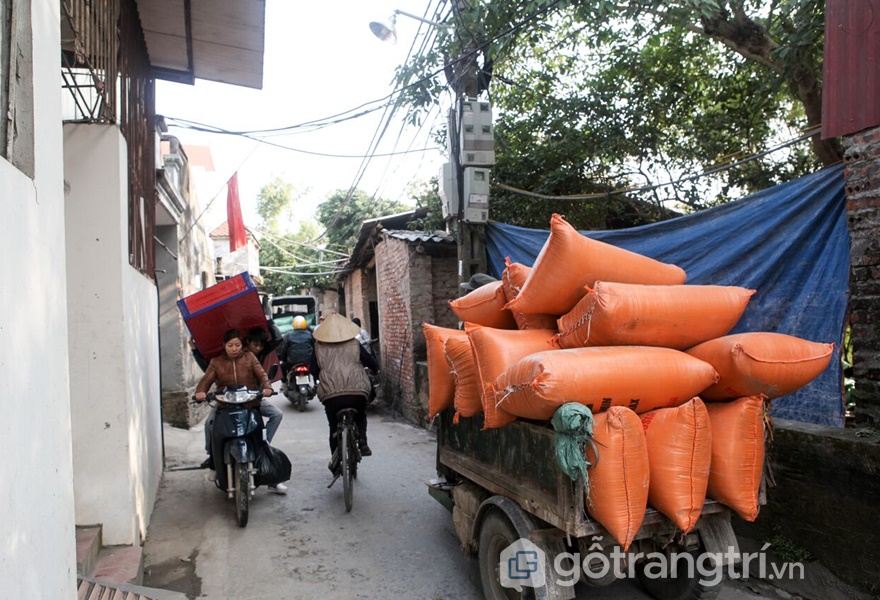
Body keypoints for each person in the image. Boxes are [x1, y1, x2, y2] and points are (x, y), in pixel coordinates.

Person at [194, 329, 288, 495]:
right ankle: (214, 463)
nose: (234, 348)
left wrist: (266, 387)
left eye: (237, 345)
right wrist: (200, 392)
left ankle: (263, 444)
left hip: (250, 401)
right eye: (230, 345)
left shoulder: (249, 357)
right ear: (224, 346)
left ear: (242, 345)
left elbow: (261, 375)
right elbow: (206, 380)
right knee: (210, 424)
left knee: (276, 414)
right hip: (225, 402)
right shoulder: (216, 362)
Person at [309, 313, 379, 470]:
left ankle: (335, 463)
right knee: (360, 415)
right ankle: (362, 442)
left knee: (333, 427)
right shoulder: (354, 344)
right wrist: (376, 369)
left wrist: (322, 374)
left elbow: (313, 370)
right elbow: (371, 362)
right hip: (357, 391)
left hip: (331, 395)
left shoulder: (318, 347)